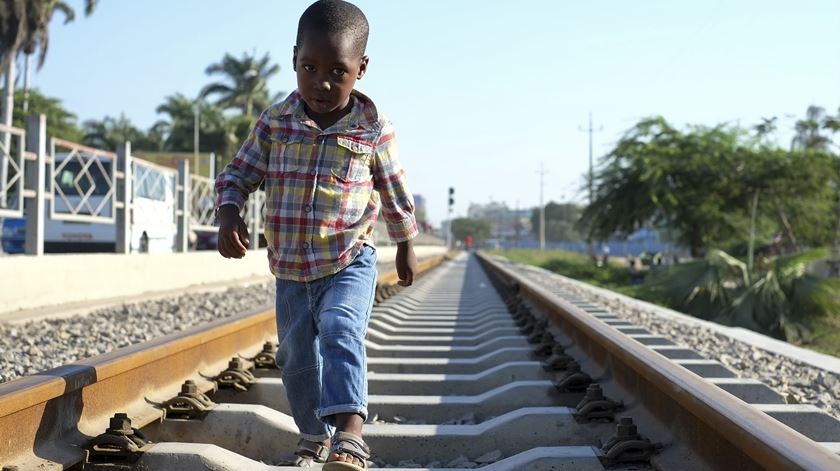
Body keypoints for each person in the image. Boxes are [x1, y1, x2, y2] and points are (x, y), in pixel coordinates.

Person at [214, 1, 418, 469]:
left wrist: (404, 244)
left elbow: (394, 190)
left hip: (349, 259)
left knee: (341, 329)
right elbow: (238, 173)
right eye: (310, 68)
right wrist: (229, 214)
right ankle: (313, 435)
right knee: (295, 356)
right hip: (289, 268)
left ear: (361, 69)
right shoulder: (275, 122)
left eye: (337, 71)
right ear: (294, 59)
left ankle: (349, 434)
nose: (322, 83)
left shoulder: (373, 130)